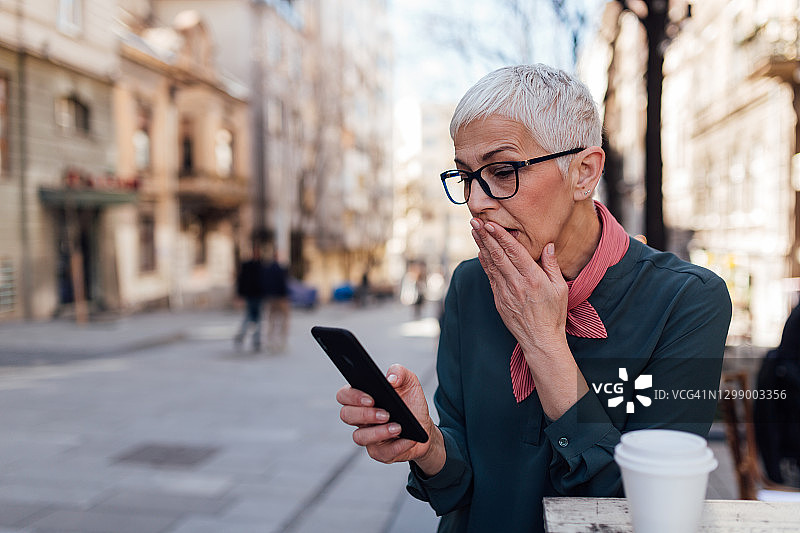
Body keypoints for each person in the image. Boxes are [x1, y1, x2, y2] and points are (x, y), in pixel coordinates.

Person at [335, 64, 731, 533]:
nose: (478, 201)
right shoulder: (470, 285)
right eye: (465, 177)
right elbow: (458, 490)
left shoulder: (687, 300)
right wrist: (428, 447)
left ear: (584, 173)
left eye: (502, 172)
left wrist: (544, 341)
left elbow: (644, 508)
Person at [234, 244, 267, 352]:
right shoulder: (248, 266)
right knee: (250, 317)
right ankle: (243, 336)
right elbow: (241, 280)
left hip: (258, 296)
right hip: (251, 296)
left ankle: (255, 340)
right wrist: (240, 295)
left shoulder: (261, 266)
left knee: (257, 319)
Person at [263, 249, 290, 353]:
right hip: (280, 298)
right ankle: (281, 341)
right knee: (283, 320)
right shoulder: (281, 269)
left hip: (271, 297)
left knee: (271, 320)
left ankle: (271, 341)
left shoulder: (267, 269)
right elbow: (283, 284)